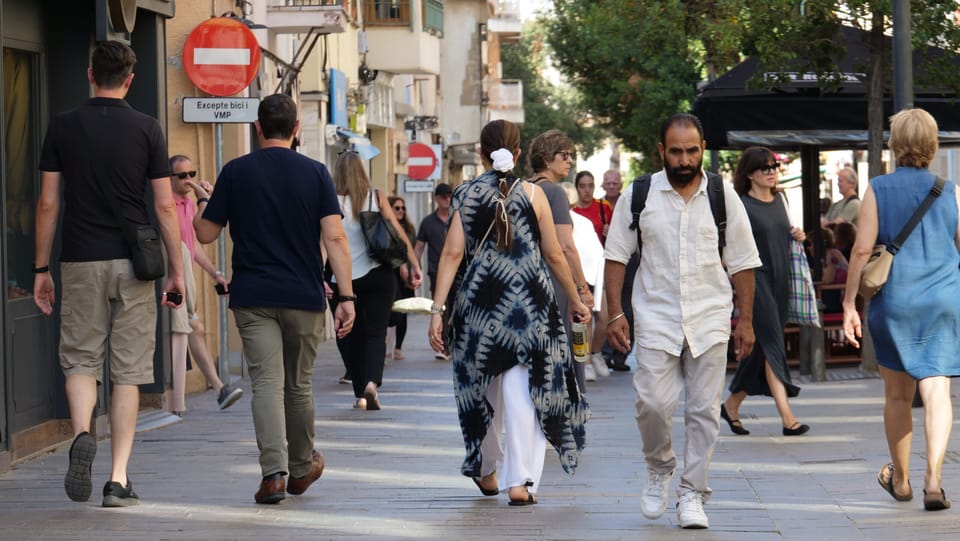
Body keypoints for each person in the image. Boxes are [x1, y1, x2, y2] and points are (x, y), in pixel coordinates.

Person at [33, 40, 185, 507]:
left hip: (79, 258)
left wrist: (41, 266)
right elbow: (163, 205)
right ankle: (118, 479)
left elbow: (48, 203)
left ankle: (82, 433)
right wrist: (176, 272)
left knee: (80, 357)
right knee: (128, 371)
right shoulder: (147, 129)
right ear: (131, 80)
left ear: (89, 74)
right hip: (133, 264)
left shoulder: (62, 127)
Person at [194, 94, 356, 504]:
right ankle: (302, 467)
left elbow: (205, 233)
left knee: (266, 384)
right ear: (297, 129)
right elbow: (335, 237)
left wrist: (202, 202)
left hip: (252, 295)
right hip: (302, 295)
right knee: (298, 385)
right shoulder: (316, 173)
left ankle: (274, 475)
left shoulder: (235, 171)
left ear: (257, 128)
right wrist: (347, 295)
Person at [604, 113, 761, 529]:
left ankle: (693, 493)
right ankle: (660, 466)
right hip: (655, 316)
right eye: (676, 151)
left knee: (704, 412)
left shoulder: (722, 196)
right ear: (662, 152)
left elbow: (743, 263)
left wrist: (745, 320)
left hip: (709, 317)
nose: (685, 159)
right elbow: (616, 255)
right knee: (652, 403)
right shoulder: (638, 195)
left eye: (692, 150)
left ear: (703, 149)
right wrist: (615, 313)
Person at [428, 119, 591, 506]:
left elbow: (451, 254)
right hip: (529, 311)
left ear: (482, 154)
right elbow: (554, 254)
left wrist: (437, 311)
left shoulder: (465, 195)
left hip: (479, 311)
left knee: (479, 392)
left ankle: (487, 471)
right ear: (517, 154)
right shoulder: (533, 195)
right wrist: (578, 299)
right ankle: (521, 482)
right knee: (524, 395)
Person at [843, 108, 960, 512]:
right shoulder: (950, 189)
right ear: (932, 143)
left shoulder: (877, 187)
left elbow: (862, 250)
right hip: (943, 300)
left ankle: (903, 479)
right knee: (937, 391)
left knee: (897, 395)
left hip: (895, 301)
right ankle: (934, 482)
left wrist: (849, 304)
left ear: (895, 143)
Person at [720, 147, 809, 438]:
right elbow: (727, 246)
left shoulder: (781, 199)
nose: (772, 172)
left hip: (781, 279)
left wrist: (798, 234)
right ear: (749, 174)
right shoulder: (741, 205)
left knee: (760, 346)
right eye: (764, 168)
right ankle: (788, 419)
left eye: (773, 166)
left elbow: (782, 234)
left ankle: (731, 405)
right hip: (755, 281)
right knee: (772, 343)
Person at [329, 151, 422, 410]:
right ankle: (372, 383)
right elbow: (398, 233)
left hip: (343, 279)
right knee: (376, 333)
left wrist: (319, 277)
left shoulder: (329, 201)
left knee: (351, 335)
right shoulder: (376, 197)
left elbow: (323, 242)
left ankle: (360, 392)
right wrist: (413, 264)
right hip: (378, 274)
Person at [167, 155, 243, 416]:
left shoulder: (188, 204)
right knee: (186, 329)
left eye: (192, 173)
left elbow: (195, 243)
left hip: (186, 276)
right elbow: (178, 244)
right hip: (172, 275)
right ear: (169, 178)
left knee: (190, 329)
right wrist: (203, 200)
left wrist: (215, 273)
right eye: (182, 176)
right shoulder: (168, 205)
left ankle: (217, 387)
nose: (188, 179)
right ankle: (180, 401)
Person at [528, 130, 595, 386]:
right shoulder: (554, 193)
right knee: (563, 349)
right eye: (564, 155)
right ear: (546, 159)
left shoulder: (524, 188)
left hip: (528, 282)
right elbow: (565, 246)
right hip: (555, 283)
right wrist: (581, 288)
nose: (569, 161)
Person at [416, 183, 453, 360]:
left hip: (458, 272)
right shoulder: (428, 222)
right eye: (444, 196)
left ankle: (453, 343)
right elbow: (419, 246)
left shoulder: (457, 219)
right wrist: (415, 267)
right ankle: (444, 346)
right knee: (441, 308)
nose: (448, 199)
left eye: (450, 196)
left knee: (456, 308)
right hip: (436, 272)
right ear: (437, 199)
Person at [386, 195, 417, 361]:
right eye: (397, 208)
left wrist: (412, 271)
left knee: (403, 311)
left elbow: (411, 251)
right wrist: (401, 265)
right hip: (391, 274)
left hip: (405, 278)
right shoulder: (386, 227)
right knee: (390, 311)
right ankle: (385, 346)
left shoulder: (409, 229)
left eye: (403, 208)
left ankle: (398, 347)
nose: (400, 211)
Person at [572, 170, 613, 244]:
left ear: (594, 187)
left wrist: (611, 232)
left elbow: (616, 233)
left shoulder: (604, 206)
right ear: (576, 188)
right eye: (582, 186)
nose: (587, 190)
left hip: (600, 253)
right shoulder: (570, 209)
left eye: (590, 186)